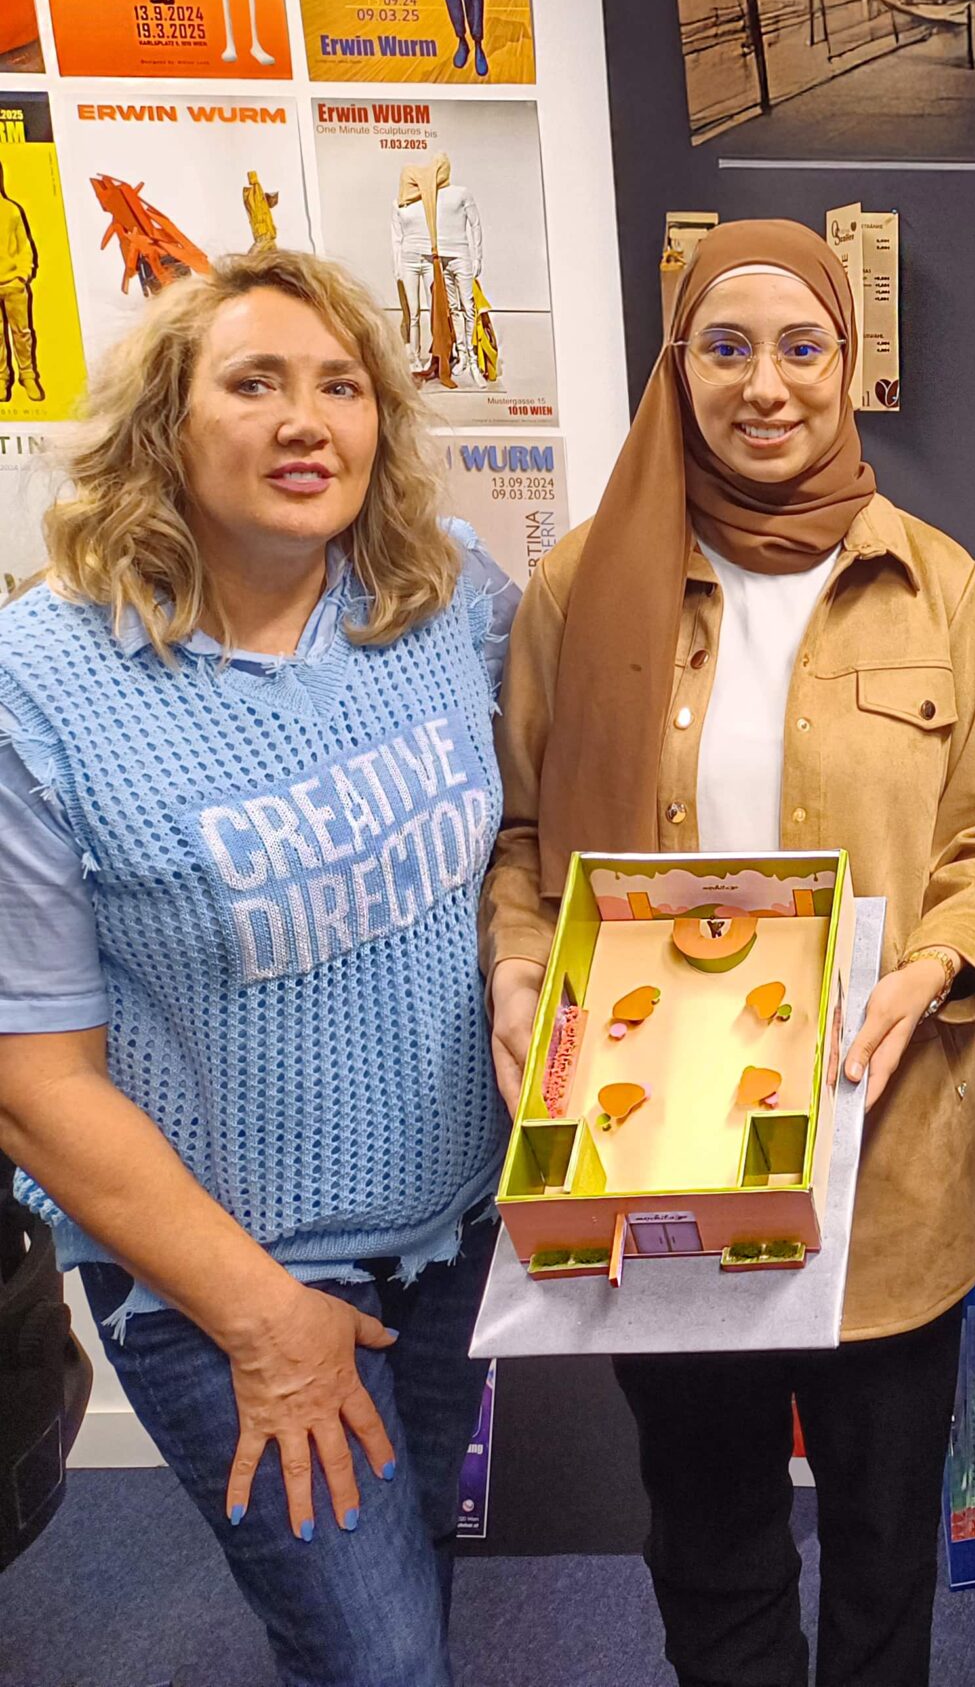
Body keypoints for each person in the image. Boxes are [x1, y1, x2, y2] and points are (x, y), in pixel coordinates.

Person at [482, 218, 975, 1687]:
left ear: (848, 363)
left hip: (892, 1152)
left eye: (802, 345)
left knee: (879, 1540)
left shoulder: (940, 586)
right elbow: (526, 842)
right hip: (662, 1148)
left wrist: (937, 965)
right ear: (679, 364)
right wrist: (521, 974)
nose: (766, 383)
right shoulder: (580, 586)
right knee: (711, 1530)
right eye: (725, 346)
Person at [0, 249, 518, 1687]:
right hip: (227, 1281)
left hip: (455, 1231)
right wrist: (263, 1316)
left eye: (341, 386)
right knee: (377, 1655)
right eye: (256, 383)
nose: (308, 421)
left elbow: (522, 837)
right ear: (165, 421)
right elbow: (35, 1083)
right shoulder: (39, 685)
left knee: (414, 1587)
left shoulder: (444, 599)